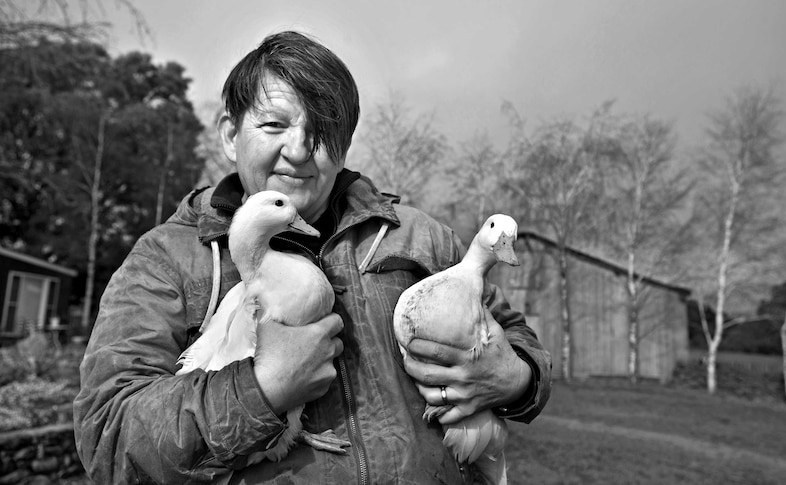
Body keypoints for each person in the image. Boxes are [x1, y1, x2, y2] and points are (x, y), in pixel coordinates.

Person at [73, 30, 551, 484]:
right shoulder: (167, 258)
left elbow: (520, 341)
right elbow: (108, 441)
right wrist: (260, 389)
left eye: (321, 130)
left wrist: (514, 378)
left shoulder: (421, 239)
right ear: (229, 134)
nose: (299, 150)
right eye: (273, 124)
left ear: (343, 145)